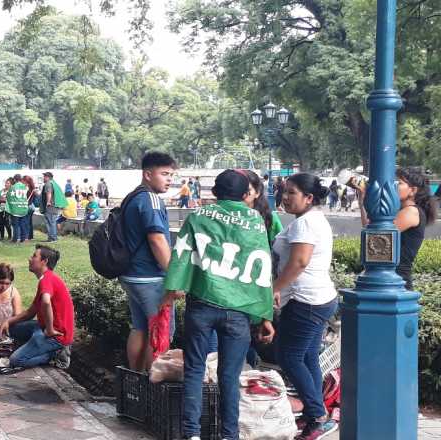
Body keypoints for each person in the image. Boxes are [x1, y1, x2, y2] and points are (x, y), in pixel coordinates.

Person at [163, 169, 276, 440]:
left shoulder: (199, 216)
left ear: (214, 192)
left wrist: (170, 293)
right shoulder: (255, 220)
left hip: (201, 304)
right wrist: (265, 316)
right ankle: (229, 435)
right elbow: (262, 270)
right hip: (238, 311)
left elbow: (180, 256)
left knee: (194, 369)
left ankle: (191, 434)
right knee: (229, 375)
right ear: (246, 194)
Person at [272, 173, 339, 439]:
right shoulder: (311, 219)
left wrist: (274, 289)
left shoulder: (305, 224)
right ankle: (317, 414)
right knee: (307, 356)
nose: (285, 197)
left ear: (309, 198)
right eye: (285, 191)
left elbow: (299, 262)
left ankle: (317, 415)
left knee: (288, 356)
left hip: (306, 301)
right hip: (318, 298)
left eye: (292, 193)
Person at [119, 151, 175, 372]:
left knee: (140, 328)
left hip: (131, 275)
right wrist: (174, 276)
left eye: (171, 174)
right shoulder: (150, 199)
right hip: (150, 277)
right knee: (160, 331)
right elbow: (157, 240)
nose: (169, 179)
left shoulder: (133, 197)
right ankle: (153, 385)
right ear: (148, 174)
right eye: (164, 174)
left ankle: (136, 380)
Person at [357, 167, 437, 290]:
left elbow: (375, 234)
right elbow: (369, 227)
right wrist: (363, 201)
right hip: (391, 279)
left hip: (397, 280)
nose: (393, 186)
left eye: (399, 183)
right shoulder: (403, 210)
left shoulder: (411, 211)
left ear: (413, 190)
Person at [0, 245, 74, 368]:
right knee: (11, 329)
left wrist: (49, 329)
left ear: (44, 261)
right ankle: (34, 346)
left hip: (56, 336)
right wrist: (8, 321)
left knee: (16, 361)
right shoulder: (46, 279)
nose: (30, 259)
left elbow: (46, 301)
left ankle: (54, 354)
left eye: (34, 256)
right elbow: (30, 312)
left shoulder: (46, 279)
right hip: (42, 327)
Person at [40, 172, 67, 242]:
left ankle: (53, 238)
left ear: (48, 177)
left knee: (50, 222)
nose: (43, 178)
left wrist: (48, 202)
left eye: (44, 176)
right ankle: (52, 237)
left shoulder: (48, 184)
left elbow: (49, 193)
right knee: (51, 222)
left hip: (51, 206)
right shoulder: (54, 183)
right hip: (55, 206)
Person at [6, 176, 30, 243]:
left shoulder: (13, 187)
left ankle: (16, 239)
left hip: (15, 209)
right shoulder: (25, 186)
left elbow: (8, 197)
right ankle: (23, 238)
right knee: (23, 224)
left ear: (14, 180)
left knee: (15, 225)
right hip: (23, 208)